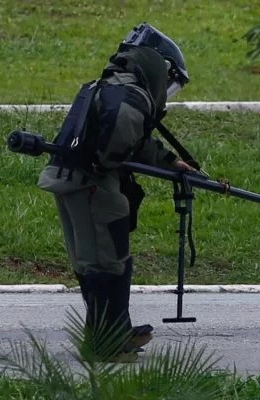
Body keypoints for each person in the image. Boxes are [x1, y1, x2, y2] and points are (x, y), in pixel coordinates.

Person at [37, 23, 196, 362]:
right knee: (107, 264)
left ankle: (112, 331)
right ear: (159, 66)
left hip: (69, 180)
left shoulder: (107, 86)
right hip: (93, 186)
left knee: (94, 262)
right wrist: (117, 160)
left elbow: (133, 139)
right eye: (169, 82)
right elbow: (118, 143)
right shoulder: (130, 95)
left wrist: (169, 162)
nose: (165, 91)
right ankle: (108, 346)